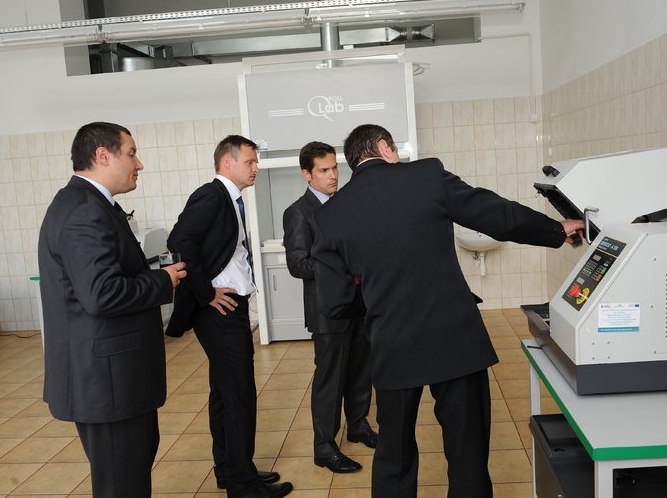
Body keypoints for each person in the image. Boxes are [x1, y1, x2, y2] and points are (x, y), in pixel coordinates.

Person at [311, 124, 585, 498]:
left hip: (392, 344)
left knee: (394, 454)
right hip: (454, 336)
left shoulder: (330, 215)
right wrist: (555, 229)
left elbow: (334, 302)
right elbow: (496, 213)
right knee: (467, 450)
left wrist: (376, 299)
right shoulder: (426, 176)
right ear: (385, 148)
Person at [38, 121, 188, 497]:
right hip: (106, 382)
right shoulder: (84, 211)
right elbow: (101, 294)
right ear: (103, 156)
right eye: (132, 154)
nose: (139, 164)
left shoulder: (91, 204)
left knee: (130, 474)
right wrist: (162, 280)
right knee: (122, 484)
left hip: (115, 378)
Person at [165, 135, 293, 498]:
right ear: (228, 163)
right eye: (250, 162)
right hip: (219, 309)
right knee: (239, 394)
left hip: (228, 308)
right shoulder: (212, 195)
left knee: (224, 392)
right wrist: (206, 293)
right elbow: (179, 240)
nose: (256, 168)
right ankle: (242, 484)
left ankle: (230, 469)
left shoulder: (229, 198)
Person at [282, 142, 376, 474]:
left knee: (361, 370)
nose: (333, 175)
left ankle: (358, 425)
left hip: (359, 303)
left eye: (335, 168)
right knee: (330, 379)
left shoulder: (348, 204)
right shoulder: (298, 212)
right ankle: (324, 447)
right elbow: (298, 265)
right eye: (324, 170)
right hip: (327, 310)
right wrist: (344, 266)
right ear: (307, 175)